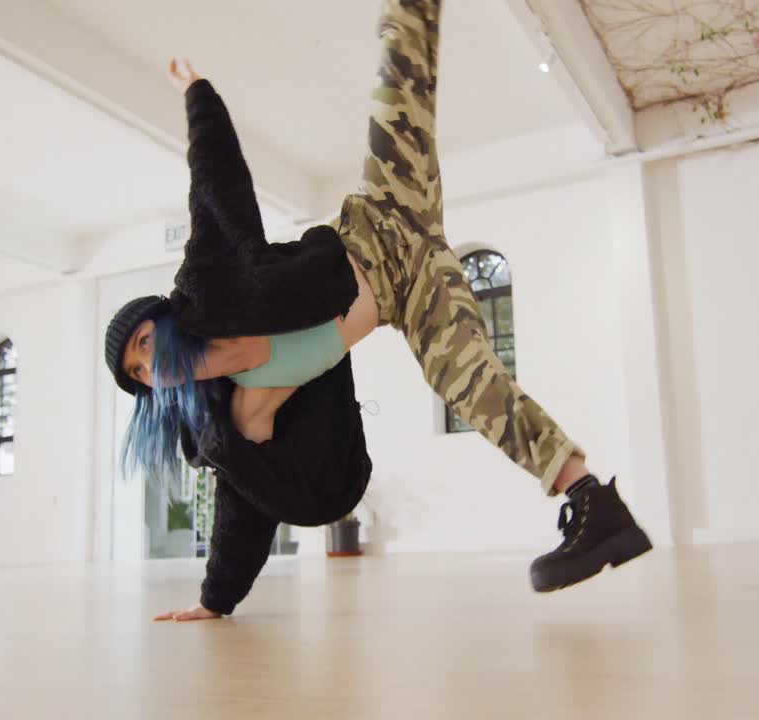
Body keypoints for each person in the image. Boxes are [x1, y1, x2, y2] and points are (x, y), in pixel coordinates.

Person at [102, 0, 651, 622]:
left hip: (385, 213)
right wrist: (214, 600)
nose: (150, 368)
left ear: (162, 322)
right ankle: (594, 503)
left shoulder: (209, 291)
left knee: (402, 51)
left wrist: (197, 92)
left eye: (144, 345)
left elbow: (215, 184)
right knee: (467, 385)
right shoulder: (229, 419)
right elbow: (244, 505)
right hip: (411, 293)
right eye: (138, 374)